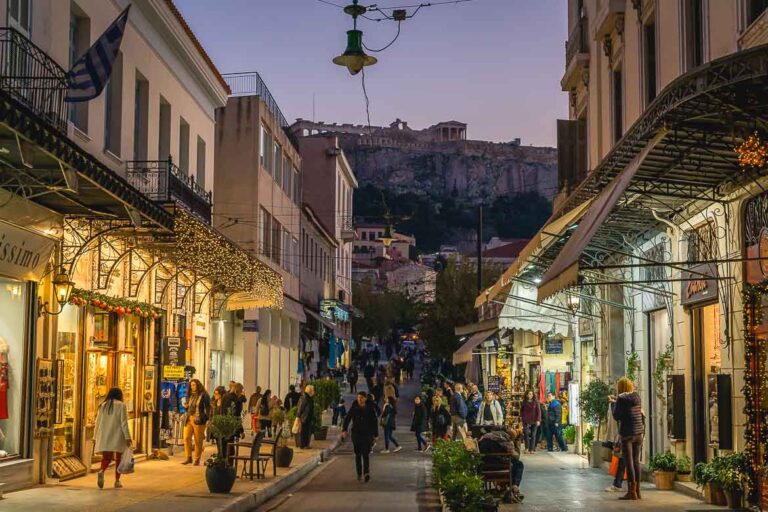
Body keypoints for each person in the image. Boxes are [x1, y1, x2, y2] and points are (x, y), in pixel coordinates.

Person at [612, 377, 644, 501]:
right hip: (638, 433)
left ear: (620, 388)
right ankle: (637, 491)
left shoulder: (620, 398)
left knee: (628, 461)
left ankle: (631, 492)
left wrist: (613, 403)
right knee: (636, 461)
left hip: (627, 433)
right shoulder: (636, 397)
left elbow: (617, 416)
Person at [94, 387, 132, 489]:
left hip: (105, 435)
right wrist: (127, 437)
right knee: (119, 458)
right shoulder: (121, 405)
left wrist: (95, 436)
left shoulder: (103, 405)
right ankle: (117, 481)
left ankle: (101, 470)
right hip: (118, 435)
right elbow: (124, 423)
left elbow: (97, 422)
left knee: (106, 457)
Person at [477, 426, 525, 503]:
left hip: (484, 470)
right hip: (502, 470)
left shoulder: (483, 439)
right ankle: (514, 488)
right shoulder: (506, 441)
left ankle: (508, 490)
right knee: (518, 464)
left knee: (513, 464)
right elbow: (516, 457)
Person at [342, 391, 379, 482]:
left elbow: (374, 421)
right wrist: (344, 429)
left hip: (367, 434)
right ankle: (359, 473)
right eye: (358, 397)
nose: (359, 399)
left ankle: (366, 472)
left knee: (365, 454)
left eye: (361, 398)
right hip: (356, 434)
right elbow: (348, 418)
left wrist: (376, 434)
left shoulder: (370, 408)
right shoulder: (354, 407)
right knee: (358, 454)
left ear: (365, 398)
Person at [182, 379, 211, 465]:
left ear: (198, 385)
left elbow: (208, 408)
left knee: (198, 440)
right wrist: (186, 406)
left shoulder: (204, 395)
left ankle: (197, 459)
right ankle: (188, 457)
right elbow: (189, 406)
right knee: (186, 438)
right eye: (191, 385)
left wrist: (206, 418)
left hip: (199, 419)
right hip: (189, 418)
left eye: (194, 385)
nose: (192, 387)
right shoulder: (190, 395)